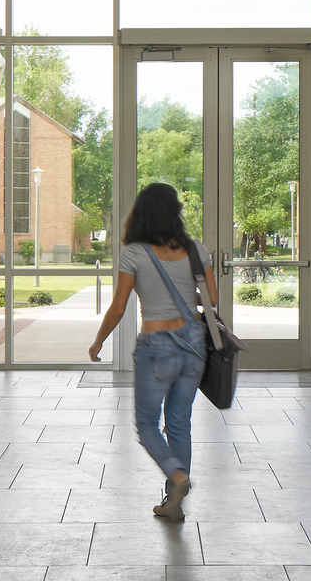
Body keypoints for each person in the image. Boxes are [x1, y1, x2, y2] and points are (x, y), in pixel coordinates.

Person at [87, 181, 217, 523]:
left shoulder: (134, 253)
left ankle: (175, 475)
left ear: (141, 214)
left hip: (156, 346)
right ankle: (175, 499)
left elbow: (118, 308)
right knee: (179, 423)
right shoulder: (195, 249)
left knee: (146, 424)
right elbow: (212, 299)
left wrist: (99, 340)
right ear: (175, 212)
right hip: (193, 343)